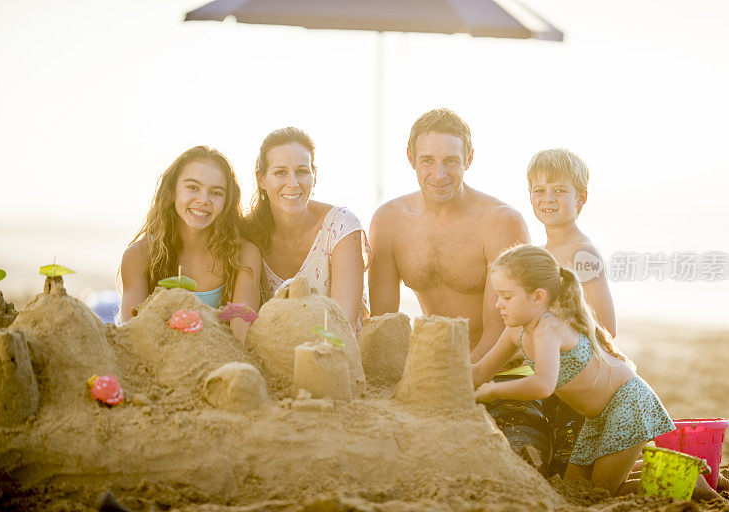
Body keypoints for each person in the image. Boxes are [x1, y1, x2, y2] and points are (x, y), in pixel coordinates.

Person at [471, 244, 675, 495]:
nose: (497, 305)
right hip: (597, 417)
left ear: (538, 297)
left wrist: (494, 392)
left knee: (600, 491)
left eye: (507, 297)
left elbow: (543, 385)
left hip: (628, 403)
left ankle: (689, 481)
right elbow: (480, 371)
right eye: (498, 296)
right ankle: (664, 467)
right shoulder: (517, 330)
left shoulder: (549, 328)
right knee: (575, 487)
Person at [369, 108, 529, 362]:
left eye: (451, 161)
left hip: (503, 369)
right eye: (427, 160)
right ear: (411, 158)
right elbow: (383, 325)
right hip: (436, 365)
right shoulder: (388, 221)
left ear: (468, 159)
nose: (439, 174)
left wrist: (455, 380)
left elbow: (502, 331)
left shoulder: (501, 223)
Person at [120, 146, 262, 342]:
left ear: (227, 202)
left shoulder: (244, 255)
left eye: (216, 193)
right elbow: (131, 338)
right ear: (172, 191)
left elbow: (241, 339)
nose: (203, 200)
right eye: (193, 187)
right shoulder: (139, 256)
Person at [243, 127, 369, 333]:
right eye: (280, 172)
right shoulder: (246, 233)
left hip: (336, 354)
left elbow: (342, 324)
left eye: (301, 171)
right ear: (261, 179)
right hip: (271, 353)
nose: (292, 183)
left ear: (314, 176)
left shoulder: (341, 226)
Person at [527, 149, 616, 337]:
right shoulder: (540, 253)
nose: (548, 198)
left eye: (559, 190)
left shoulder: (583, 253)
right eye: (539, 190)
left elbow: (607, 328)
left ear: (580, 198)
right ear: (530, 196)